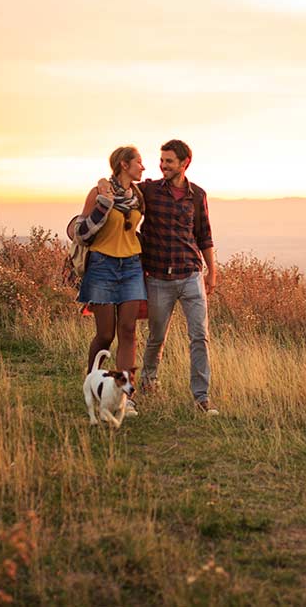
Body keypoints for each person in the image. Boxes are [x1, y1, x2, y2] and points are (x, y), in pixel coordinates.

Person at [137, 139, 219, 415]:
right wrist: (102, 183)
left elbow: (204, 235)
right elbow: (119, 186)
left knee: (199, 336)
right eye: (162, 160)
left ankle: (201, 397)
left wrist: (212, 272)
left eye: (169, 161)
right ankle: (148, 381)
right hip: (158, 277)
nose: (163, 165)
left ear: (184, 164)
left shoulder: (197, 195)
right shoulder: (148, 190)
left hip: (191, 275)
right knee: (157, 337)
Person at [76, 147, 147, 413]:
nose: (143, 167)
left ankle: (125, 397)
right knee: (105, 334)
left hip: (131, 266)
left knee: (128, 331)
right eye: (139, 163)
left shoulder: (138, 195)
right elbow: (80, 231)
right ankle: (92, 384)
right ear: (123, 165)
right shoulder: (99, 194)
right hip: (102, 265)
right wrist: (104, 202)